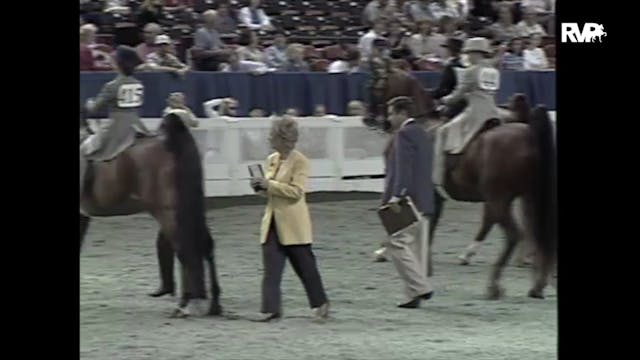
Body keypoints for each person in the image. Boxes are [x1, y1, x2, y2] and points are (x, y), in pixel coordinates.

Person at [250, 116, 330, 322]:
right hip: (272, 222)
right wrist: (260, 188)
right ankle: (271, 309)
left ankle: (320, 303)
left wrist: (270, 186)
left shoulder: (300, 161)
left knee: (306, 268)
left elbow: (297, 192)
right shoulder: (271, 160)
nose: (269, 139)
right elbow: (270, 192)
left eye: (273, 136)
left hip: (294, 224)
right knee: (271, 270)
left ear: (285, 139)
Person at [382, 96, 435, 308]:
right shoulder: (423, 133)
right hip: (425, 197)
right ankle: (413, 295)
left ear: (402, 113)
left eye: (391, 113)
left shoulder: (403, 134)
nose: (389, 117)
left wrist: (397, 195)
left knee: (396, 243)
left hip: (408, 198)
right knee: (416, 248)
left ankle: (420, 288)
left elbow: (404, 167)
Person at [81, 46, 153, 198]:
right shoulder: (138, 84)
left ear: (118, 64)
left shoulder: (112, 86)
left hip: (116, 127)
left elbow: (95, 108)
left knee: (83, 150)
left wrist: (89, 103)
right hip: (136, 125)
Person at [432, 37, 500, 193]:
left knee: (442, 132)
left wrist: (444, 100)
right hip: (493, 110)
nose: (468, 56)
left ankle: (438, 179)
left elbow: (458, 95)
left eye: (469, 53)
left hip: (475, 112)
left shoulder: (471, 71)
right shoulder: (493, 70)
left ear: (476, 53)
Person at [431, 37, 467, 119]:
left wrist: (430, 95)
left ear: (450, 50)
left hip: (454, 102)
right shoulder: (465, 63)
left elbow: (444, 89)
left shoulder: (451, 66)